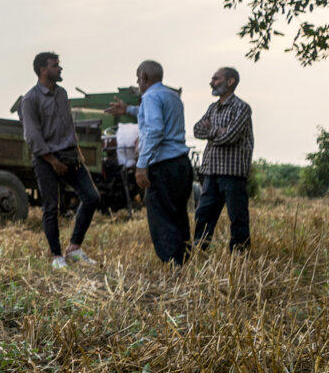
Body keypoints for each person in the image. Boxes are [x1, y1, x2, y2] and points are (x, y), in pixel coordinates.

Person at [18, 52, 100, 269]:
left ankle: (74, 248)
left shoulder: (62, 94)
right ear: (43, 70)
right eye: (55, 65)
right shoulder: (30, 99)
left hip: (70, 155)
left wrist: (78, 153)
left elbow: (68, 127)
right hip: (46, 160)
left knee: (92, 197)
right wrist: (53, 161)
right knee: (51, 208)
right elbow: (32, 136)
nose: (60, 69)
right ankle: (56, 257)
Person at [107, 60, 192, 265]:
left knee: (161, 218)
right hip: (181, 164)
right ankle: (184, 261)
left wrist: (142, 164)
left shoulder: (150, 97)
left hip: (163, 167)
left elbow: (154, 130)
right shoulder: (172, 96)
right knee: (178, 214)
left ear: (144, 77)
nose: (138, 82)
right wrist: (128, 109)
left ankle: (172, 265)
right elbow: (150, 114)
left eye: (138, 78)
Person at [192, 66, 253, 251]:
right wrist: (218, 131)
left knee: (238, 217)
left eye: (216, 78)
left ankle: (239, 255)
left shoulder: (242, 108)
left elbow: (231, 136)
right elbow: (197, 130)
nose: (212, 82)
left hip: (232, 172)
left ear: (230, 81)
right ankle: (199, 250)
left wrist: (211, 132)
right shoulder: (212, 108)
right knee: (203, 214)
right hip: (211, 171)